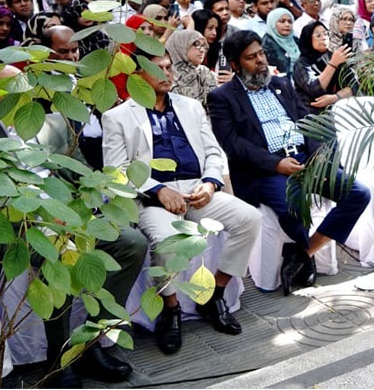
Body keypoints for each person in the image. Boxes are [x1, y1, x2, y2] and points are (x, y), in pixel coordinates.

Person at [101, 51, 261, 354]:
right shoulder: (117, 116)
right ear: (137, 76)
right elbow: (116, 170)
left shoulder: (190, 107)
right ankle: (170, 309)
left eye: (168, 66)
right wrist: (158, 189)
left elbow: (214, 152)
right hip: (151, 198)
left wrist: (211, 183)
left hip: (196, 190)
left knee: (250, 219)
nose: (167, 72)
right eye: (157, 68)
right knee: (166, 240)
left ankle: (215, 294)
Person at [208, 31, 371, 294]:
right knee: (293, 206)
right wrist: (276, 164)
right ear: (236, 65)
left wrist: (321, 160)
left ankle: (305, 252)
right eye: (251, 57)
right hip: (265, 169)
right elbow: (233, 145)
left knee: (359, 193)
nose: (261, 60)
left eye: (261, 53)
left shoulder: (281, 84)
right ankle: (304, 257)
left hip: (307, 160)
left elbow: (309, 122)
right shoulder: (222, 97)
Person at [292, 22, 354, 110]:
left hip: (339, 108)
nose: (324, 37)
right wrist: (333, 64)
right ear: (308, 39)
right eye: (318, 36)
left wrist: (335, 98)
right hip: (312, 115)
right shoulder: (302, 63)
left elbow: (354, 85)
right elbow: (314, 89)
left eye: (326, 34)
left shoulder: (333, 56)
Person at [166, 29, 219, 108]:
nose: (202, 50)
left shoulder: (206, 72)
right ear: (181, 45)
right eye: (196, 44)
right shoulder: (168, 74)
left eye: (203, 45)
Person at [262, 8, 301, 74]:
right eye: (282, 21)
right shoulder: (267, 44)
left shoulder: (296, 40)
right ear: (273, 23)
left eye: (290, 22)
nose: (287, 25)